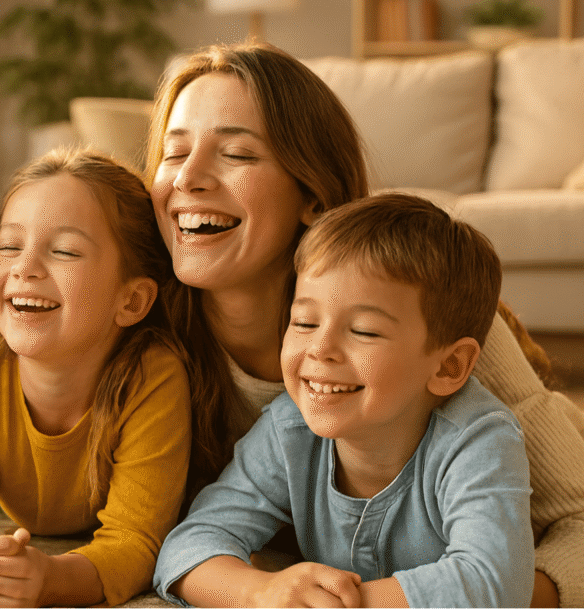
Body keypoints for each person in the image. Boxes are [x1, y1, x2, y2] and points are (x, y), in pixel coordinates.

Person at [144, 41, 584, 607]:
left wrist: (473, 596)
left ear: (314, 196)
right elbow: (186, 542)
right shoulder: (141, 322)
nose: (188, 179)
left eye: (238, 155)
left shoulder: (429, 325)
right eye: (173, 154)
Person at [155, 193, 534, 608]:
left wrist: (330, 604)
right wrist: (261, 592)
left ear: (448, 367)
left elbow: (498, 582)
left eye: (365, 331)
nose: (320, 348)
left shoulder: (477, 439)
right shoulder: (289, 429)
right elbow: (188, 546)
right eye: (304, 321)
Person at [0, 148, 191, 607]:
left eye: (64, 251)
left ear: (132, 300)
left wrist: (48, 579)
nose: (25, 267)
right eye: (9, 245)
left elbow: (135, 544)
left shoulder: (153, 378)